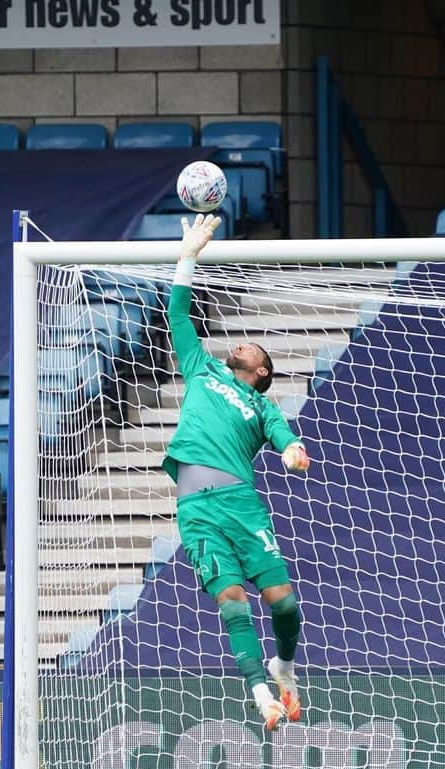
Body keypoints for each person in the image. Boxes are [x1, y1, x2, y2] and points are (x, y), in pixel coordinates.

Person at [164, 214, 310, 731]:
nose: (242, 344)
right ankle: (259, 694)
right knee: (231, 603)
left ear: (262, 370)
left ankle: (283, 666)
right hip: (196, 508)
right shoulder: (202, 369)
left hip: (241, 504)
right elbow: (178, 314)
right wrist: (189, 254)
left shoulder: (261, 406)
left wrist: (292, 452)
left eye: (253, 348)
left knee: (285, 605)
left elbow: (285, 436)